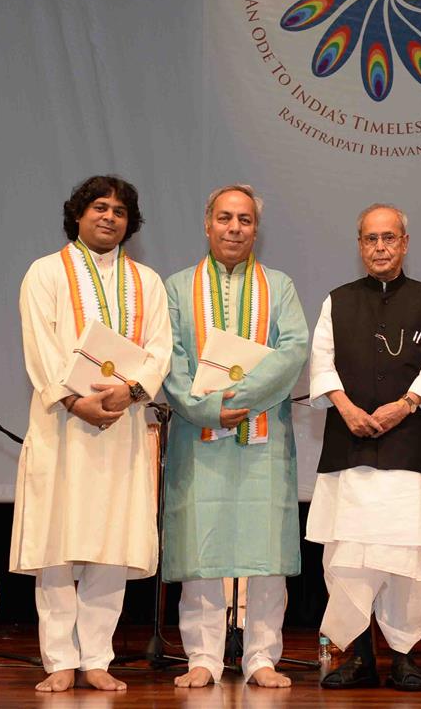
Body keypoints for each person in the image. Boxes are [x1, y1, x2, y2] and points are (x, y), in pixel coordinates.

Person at [9, 175, 173, 692]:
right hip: (62, 424)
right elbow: (40, 347)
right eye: (99, 208)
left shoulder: (147, 281)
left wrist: (132, 392)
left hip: (122, 427)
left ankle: (96, 658)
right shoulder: (45, 273)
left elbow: (160, 348)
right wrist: (77, 402)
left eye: (120, 211)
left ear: (131, 223)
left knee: (111, 542)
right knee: (58, 545)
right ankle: (59, 660)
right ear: (78, 215)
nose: (109, 217)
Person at [306, 203, 421, 692]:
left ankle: (403, 656)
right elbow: (321, 361)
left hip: (409, 448)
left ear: (404, 243)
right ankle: (359, 658)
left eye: (389, 238)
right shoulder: (337, 300)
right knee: (351, 559)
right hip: (349, 448)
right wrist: (345, 407)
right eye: (371, 239)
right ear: (359, 245)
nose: (380, 247)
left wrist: (404, 405)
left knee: (408, 558)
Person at [162, 184, 309, 688]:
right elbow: (170, 358)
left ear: (256, 229)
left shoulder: (280, 286)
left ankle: (261, 657)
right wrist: (208, 408)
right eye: (225, 218)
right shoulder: (177, 287)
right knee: (201, 548)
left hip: (263, 434)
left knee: (266, 550)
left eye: (245, 220)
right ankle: (202, 656)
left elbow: (294, 349)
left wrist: (239, 399)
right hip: (198, 434)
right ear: (207, 224)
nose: (234, 228)